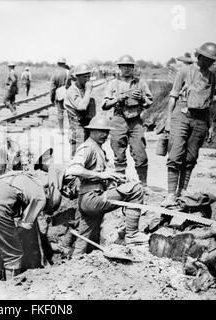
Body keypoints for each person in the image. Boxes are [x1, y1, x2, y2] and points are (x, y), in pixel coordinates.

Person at [65, 115, 149, 256]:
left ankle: (74, 266)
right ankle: (132, 234)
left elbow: (100, 172)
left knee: (84, 241)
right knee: (136, 189)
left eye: (107, 132)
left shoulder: (97, 148)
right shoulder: (87, 147)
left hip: (88, 200)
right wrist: (101, 175)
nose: (105, 135)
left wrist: (117, 177)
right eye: (101, 131)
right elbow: (72, 170)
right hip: (92, 199)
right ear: (92, 131)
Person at [0, 168, 63, 283]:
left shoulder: (27, 179)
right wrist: (11, 240)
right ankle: (11, 289)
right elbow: (24, 225)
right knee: (14, 254)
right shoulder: (41, 197)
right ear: (49, 202)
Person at [162, 42, 216, 207]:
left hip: (201, 119)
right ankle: (170, 195)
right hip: (181, 116)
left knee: (190, 158)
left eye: (213, 60)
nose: (211, 63)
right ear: (200, 56)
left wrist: (210, 126)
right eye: (208, 59)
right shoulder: (184, 71)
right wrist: (168, 120)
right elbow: (173, 96)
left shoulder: (211, 77)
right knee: (175, 156)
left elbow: (209, 103)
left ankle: (183, 193)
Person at [102, 55, 153, 191]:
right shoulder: (112, 84)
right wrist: (118, 99)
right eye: (123, 66)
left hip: (136, 120)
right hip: (118, 119)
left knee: (140, 153)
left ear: (133, 68)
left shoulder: (141, 83)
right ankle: (121, 184)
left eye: (129, 66)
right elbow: (105, 104)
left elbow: (149, 102)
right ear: (119, 68)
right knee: (118, 153)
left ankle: (143, 184)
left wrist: (141, 98)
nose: (126, 68)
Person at [64, 63, 96, 156]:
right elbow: (81, 107)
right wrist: (89, 90)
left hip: (87, 124)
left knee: (88, 153)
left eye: (88, 76)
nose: (87, 79)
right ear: (77, 77)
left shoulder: (84, 88)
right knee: (78, 156)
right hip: (77, 127)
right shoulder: (72, 90)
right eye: (84, 77)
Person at [50, 57, 72, 135]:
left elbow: (52, 88)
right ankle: (71, 130)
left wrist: (51, 98)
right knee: (70, 112)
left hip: (59, 95)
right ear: (65, 64)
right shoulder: (69, 72)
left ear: (57, 64)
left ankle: (61, 131)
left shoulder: (55, 73)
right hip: (68, 94)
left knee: (60, 112)